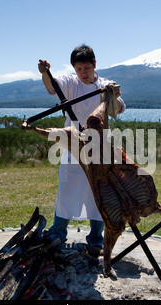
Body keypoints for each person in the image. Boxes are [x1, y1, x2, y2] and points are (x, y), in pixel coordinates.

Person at [38, 45, 126, 256]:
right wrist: (45, 73)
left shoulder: (106, 85)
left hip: (99, 147)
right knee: (67, 189)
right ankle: (58, 233)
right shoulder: (71, 82)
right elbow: (52, 86)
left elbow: (118, 108)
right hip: (73, 145)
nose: (83, 73)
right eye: (78, 69)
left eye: (86, 67)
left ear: (94, 64)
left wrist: (114, 95)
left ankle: (95, 241)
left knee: (99, 194)